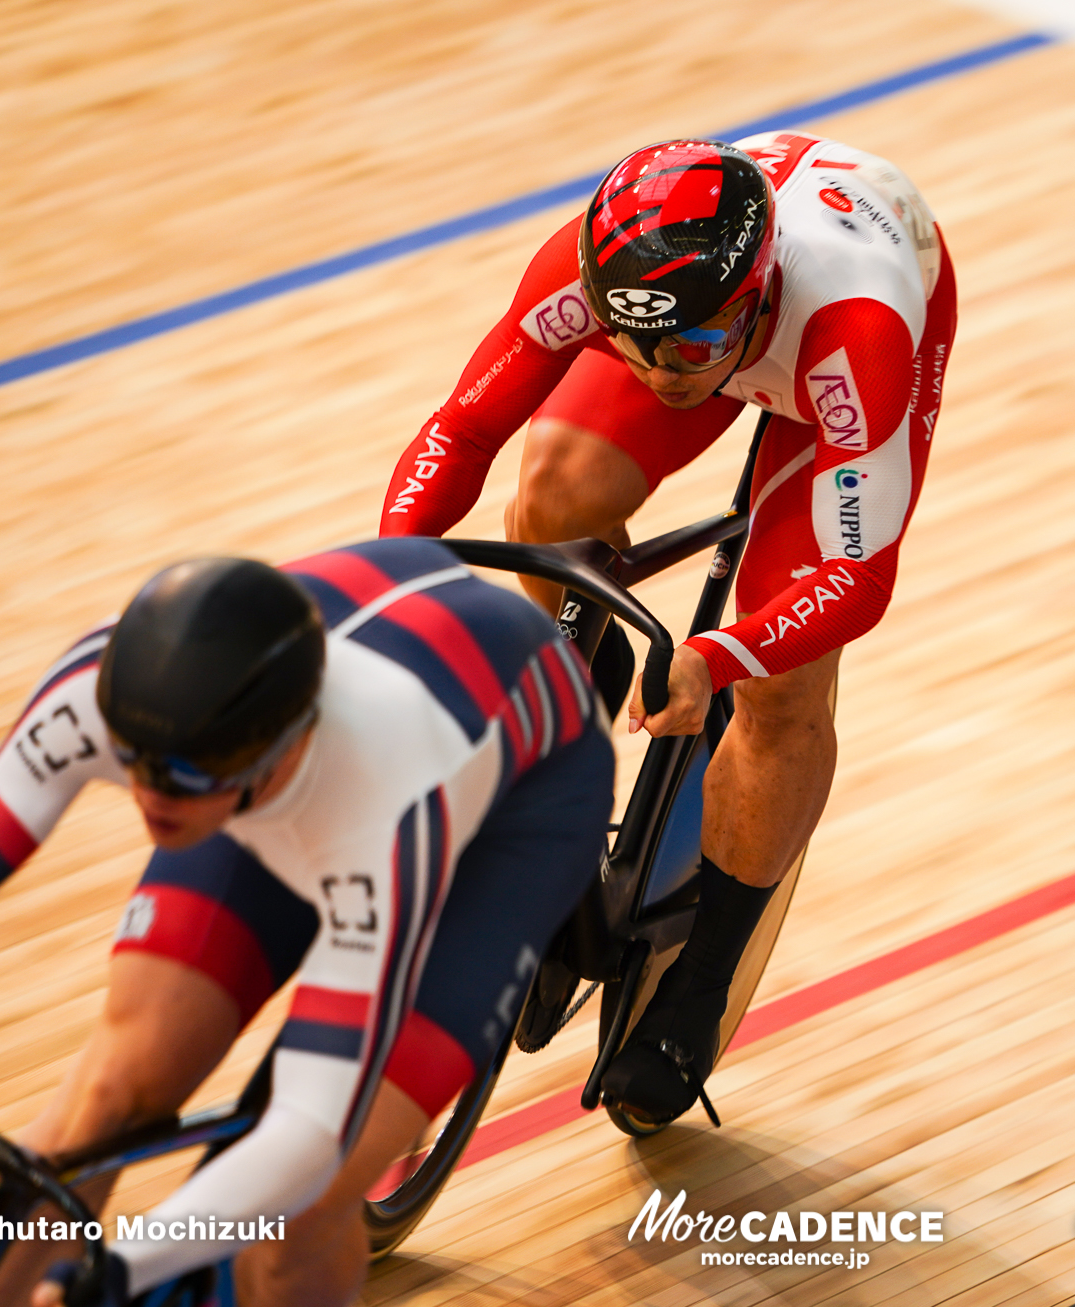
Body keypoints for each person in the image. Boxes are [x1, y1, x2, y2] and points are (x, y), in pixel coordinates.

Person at [0, 539, 612, 1306]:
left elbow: (308, 1126)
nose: (151, 792)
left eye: (184, 774)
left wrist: (125, 1264)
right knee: (108, 1093)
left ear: (284, 747)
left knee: (296, 1216)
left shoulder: (382, 798)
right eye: (131, 756)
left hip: (514, 807)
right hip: (306, 756)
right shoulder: (113, 692)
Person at [379, 131, 955, 1125]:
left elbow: (857, 574)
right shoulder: (597, 277)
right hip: (741, 317)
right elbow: (462, 429)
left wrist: (717, 654)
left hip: (830, 370)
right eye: (625, 340)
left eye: (686, 347)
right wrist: (381, 575)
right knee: (554, 494)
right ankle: (574, 725)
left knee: (781, 686)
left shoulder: (858, 329)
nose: (658, 371)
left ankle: (700, 985)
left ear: (754, 293)